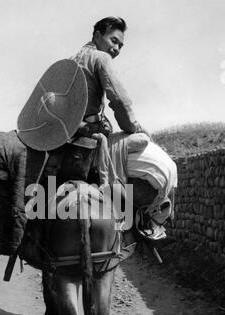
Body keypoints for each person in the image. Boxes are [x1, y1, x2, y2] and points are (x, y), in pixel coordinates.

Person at [71, 16, 177, 241]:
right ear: (97, 35)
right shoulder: (100, 58)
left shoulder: (72, 60)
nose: (117, 48)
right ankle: (143, 219)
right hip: (89, 140)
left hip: (67, 137)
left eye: (120, 45)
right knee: (153, 153)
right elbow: (119, 100)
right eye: (113, 40)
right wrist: (135, 127)